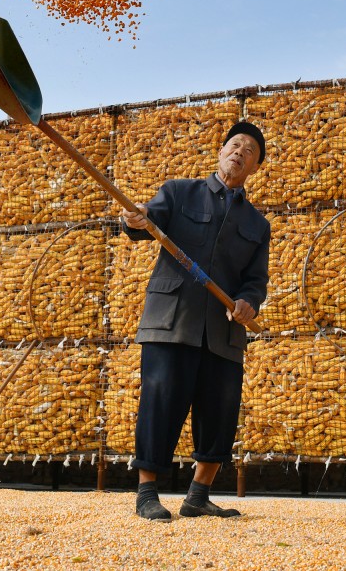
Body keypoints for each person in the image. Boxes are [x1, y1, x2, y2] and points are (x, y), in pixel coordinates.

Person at [120, 120, 270, 521]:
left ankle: (198, 495)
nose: (240, 152)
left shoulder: (258, 224)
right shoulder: (179, 192)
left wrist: (248, 303)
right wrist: (135, 219)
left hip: (223, 330)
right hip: (172, 319)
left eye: (250, 151)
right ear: (221, 153)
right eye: (234, 145)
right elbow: (147, 220)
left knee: (220, 409)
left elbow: (256, 281)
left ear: (255, 168)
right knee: (161, 400)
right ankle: (147, 492)